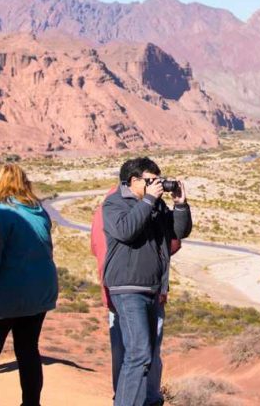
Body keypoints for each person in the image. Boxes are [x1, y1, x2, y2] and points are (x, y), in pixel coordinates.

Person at [102, 157, 192, 406]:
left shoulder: (157, 206)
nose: (158, 186)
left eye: (159, 180)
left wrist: (181, 205)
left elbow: (179, 233)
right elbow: (125, 231)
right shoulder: (114, 203)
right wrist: (149, 200)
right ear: (134, 181)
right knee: (138, 354)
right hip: (128, 287)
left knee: (145, 356)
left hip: (153, 288)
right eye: (152, 180)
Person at [0, 163, 58, 406]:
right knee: (28, 349)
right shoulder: (39, 210)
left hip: (8, 294)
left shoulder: (2, 213)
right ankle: (31, 403)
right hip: (40, 294)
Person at [91, 190, 182, 406]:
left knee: (126, 350)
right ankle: (143, 399)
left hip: (120, 287)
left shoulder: (105, 206)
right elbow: (172, 244)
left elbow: (96, 247)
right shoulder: (121, 205)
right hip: (135, 289)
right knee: (143, 351)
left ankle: (124, 396)